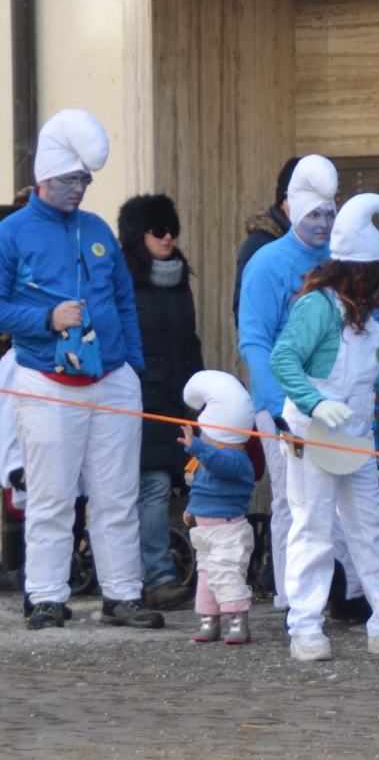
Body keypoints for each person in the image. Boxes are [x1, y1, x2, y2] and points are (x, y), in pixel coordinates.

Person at [0, 108, 161, 630]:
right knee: (51, 493)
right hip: (46, 379)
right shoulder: (12, 232)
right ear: (43, 177)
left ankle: (122, 594)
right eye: (71, 180)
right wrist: (45, 317)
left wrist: (132, 367)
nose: (80, 190)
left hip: (111, 378)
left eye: (86, 181)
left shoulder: (97, 229)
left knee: (117, 493)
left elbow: (123, 300)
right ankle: (45, 595)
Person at [270, 193, 379, 661]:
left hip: (356, 438)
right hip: (314, 436)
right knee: (313, 528)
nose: (373, 284)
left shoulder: (364, 316)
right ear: (350, 271)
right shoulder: (317, 307)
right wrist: (316, 403)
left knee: (368, 528)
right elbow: (283, 359)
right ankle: (304, 625)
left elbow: (376, 373)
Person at [238, 154, 365, 617]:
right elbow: (254, 341)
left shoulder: (341, 262)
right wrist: (276, 407)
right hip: (284, 403)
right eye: (314, 214)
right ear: (291, 209)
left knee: (344, 498)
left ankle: (347, 591)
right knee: (296, 501)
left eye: (330, 214)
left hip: (334, 400)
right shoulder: (266, 263)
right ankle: (296, 597)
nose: (323, 224)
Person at [117, 193, 204, 610]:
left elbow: (190, 341)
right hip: (139, 398)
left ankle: (153, 572)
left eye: (172, 229)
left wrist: (201, 388)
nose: (168, 237)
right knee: (150, 487)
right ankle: (156, 577)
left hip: (178, 398)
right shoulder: (122, 280)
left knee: (170, 487)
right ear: (138, 235)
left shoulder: (178, 279)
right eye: (158, 230)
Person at [179, 371, 257, 645]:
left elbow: (217, 462)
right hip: (204, 530)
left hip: (228, 530)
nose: (202, 436)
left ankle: (238, 619)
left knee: (227, 573)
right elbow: (202, 487)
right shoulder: (206, 459)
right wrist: (192, 507)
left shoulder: (235, 459)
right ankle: (209, 618)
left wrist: (198, 447)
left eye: (205, 432)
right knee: (206, 577)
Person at [232, 157, 300, 327]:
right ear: (282, 200)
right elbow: (246, 314)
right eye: (295, 197)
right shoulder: (259, 244)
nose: (303, 206)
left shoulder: (322, 245)